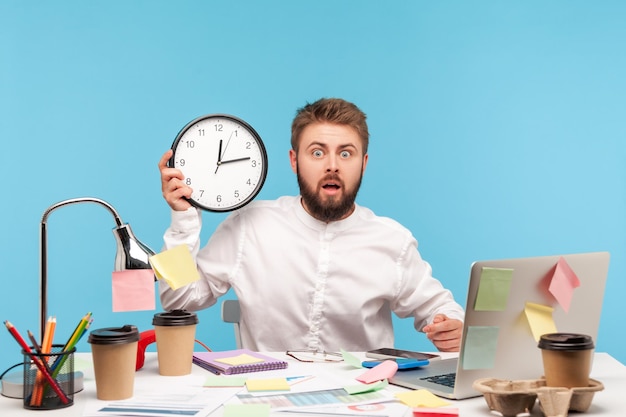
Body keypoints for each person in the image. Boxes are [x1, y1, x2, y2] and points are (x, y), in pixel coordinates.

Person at [158, 98, 464, 352]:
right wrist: (183, 220)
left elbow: (443, 311)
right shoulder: (248, 226)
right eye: (317, 152)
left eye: (346, 153)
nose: (332, 164)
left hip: (361, 403)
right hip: (270, 399)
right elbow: (178, 299)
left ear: (364, 164)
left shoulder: (392, 240)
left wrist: (451, 327)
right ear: (294, 161)